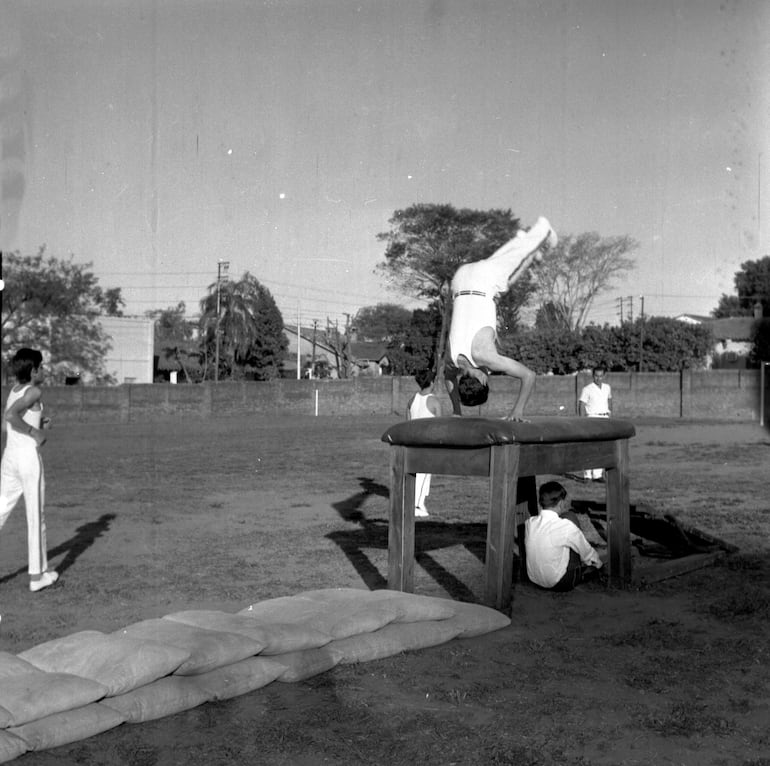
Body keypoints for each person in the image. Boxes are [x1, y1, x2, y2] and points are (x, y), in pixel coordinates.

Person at [445, 216, 557, 420]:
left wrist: (517, 411)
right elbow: (448, 379)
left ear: (484, 381)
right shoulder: (452, 361)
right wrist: (456, 411)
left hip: (483, 281)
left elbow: (529, 376)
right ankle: (524, 245)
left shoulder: (485, 358)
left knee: (516, 256)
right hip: (460, 279)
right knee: (505, 275)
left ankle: (544, 230)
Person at [0, 348, 58, 592]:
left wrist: (39, 421)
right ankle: (37, 577)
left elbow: (8, 425)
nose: (44, 371)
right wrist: (35, 432)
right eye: (41, 367)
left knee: (1, 509)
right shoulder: (35, 390)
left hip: (10, 458)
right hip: (27, 460)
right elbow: (11, 416)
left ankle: (39, 574)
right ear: (33, 371)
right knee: (36, 516)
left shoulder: (14, 391)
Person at [524, 481, 603, 591]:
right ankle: (582, 571)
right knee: (571, 518)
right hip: (559, 582)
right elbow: (586, 552)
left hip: (535, 580)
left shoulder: (530, 523)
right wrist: (597, 564)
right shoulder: (565, 526)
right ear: (561, 503)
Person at [406, 368, 442, 517]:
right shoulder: (434, 401)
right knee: (423, 474)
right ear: (432, 383)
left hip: (413, 442)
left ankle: (418, 503)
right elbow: (441, 426)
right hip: (427, 444)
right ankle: (416, 506)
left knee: (420, 475)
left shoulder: (412, 399)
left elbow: (407, 422)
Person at [579, 366, 612, 481]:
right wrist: (582, 421)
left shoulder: (607, 388)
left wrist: (609, 414)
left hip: (604, 417)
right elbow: (581, 405)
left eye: (600, 376)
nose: (598, 378)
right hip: (592, 418)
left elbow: (609, 401)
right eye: (596, 376)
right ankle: (587, 475)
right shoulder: (587, 389)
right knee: (590, 447)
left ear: (604, 376)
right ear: (593, 376)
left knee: (602, 447)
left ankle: (598, 474)